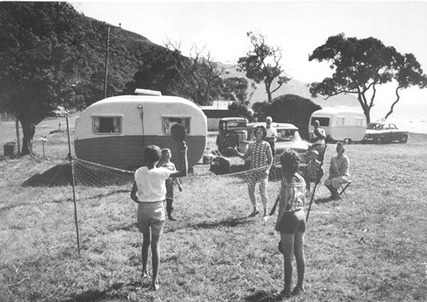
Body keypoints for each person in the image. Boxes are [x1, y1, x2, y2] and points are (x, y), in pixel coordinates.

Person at [130, 143, 188, 290]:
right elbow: (184, 172)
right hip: (157, 208)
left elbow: (132, 195)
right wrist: (184, 153)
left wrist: (143, 202)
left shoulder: (138, 172)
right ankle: (154, 281)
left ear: (144, 158)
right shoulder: (162, 171)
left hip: (143, 208)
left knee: (145, 241)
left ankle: (144, 271)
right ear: (159, 159)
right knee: (155, 245)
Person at [275, 150, 306, 299]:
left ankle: (286, 290)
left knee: (288, 257)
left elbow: (282, 206)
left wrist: (277, 223)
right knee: (299, 253)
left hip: (289, 217)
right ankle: (300, 286)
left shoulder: (285, 180)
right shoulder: (301, 179)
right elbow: (304, 201)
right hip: (301, 215)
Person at [234, 125, 273, 220]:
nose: (259, 131)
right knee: (250, 189)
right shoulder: (251, 144)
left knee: (262, 191)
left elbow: (270, 159)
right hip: (253, 171)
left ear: (263, 133)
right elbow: (245, 156)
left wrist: (268, 168)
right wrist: (237, 153)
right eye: (257, 130)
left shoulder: (266, 145)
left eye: (261, 130)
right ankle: (255, 208)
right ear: (255, 133)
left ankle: (266, 212)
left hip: (263, 171)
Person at [157, 148, 183, 221]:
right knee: (162, 200)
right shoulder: (161, 164)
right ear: (163, 155)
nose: (169, 155)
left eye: (169, 153)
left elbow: (175, 175)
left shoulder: (172, 165)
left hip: (170, 184)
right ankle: (160, 216)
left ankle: (169, 215)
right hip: (162, 184)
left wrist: (179, 185)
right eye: (167, 153)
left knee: (170, 200)